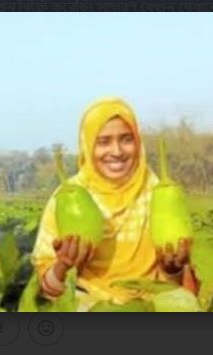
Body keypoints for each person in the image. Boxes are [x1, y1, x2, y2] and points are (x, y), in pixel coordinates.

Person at [31, 97, 198, 310]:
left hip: (151, 304)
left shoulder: (160, 193)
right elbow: (48, 290)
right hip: (89, 304)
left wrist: (172, 270)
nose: (117, 151)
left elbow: (184, 284)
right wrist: (64, 266)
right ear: (88, 146)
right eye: (103, 142)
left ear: (138, 143)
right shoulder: (64, 198)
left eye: (126, 139)